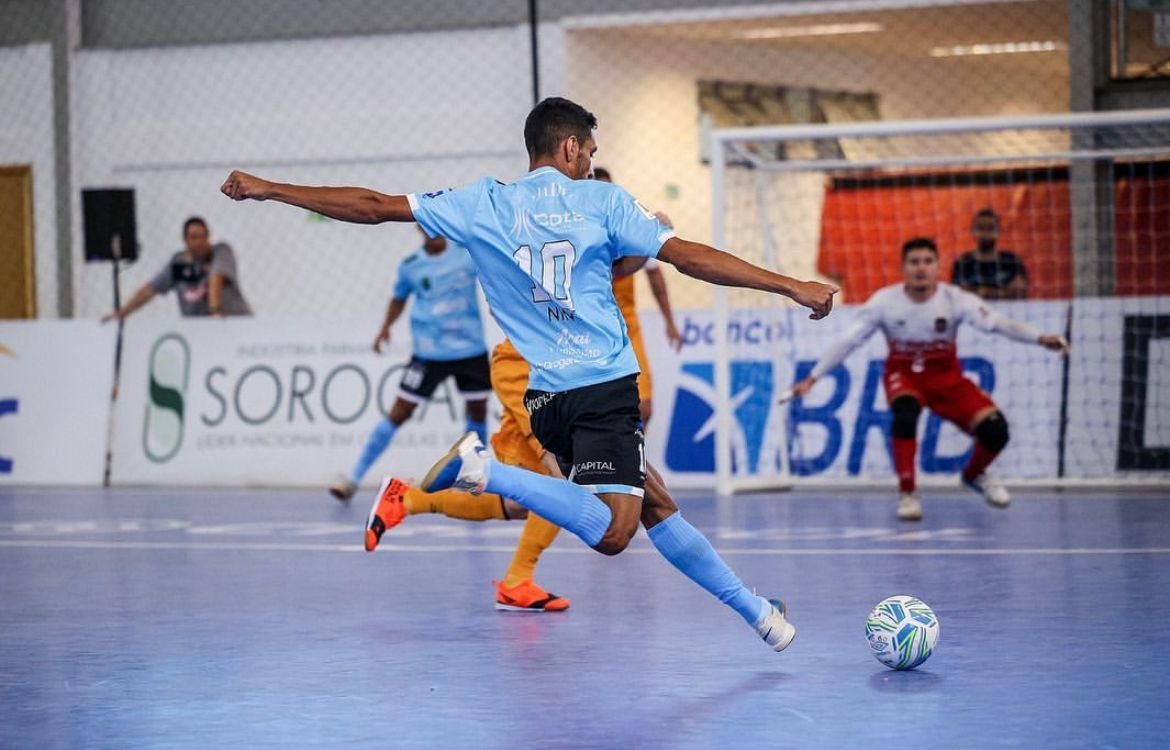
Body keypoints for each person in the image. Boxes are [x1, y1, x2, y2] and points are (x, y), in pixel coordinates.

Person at [221, 96, 838, 652]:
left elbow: (374, 207)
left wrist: (271, 188)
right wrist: (788, 284)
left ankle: (759, 615)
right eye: (590, 153)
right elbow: (688, 258)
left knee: (653, 500)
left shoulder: (483, 201)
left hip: (545, 395)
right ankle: (483, 471)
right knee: (616, 532)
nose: (592, 165)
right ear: (570, 147)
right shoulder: (603, 200)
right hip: (602, 388)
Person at [793, 237, 1067, 521]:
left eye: (927, 262)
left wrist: (1039, 338)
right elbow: (848, 341)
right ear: (903, 268)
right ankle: (908, 494)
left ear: (938, 266)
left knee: (997, 431)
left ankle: (974, 475)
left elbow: (998, 324)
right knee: (905, 414)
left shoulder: (955, 299)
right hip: (904, 375)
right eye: (914, 262)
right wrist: (813, 378)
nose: (920, 269)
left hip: (946, 378)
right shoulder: (885, 301)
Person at [329, 227, 490, 502]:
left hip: (470, 350)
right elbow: (399, 298)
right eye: (426, 224)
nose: (433, 230)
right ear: (418, 228)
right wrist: (385, 328)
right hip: (429, 354)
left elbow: (494, 279)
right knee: (400, 411)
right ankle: (354, 478)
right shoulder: (411, 266)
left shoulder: (466, 255)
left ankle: (474, 479)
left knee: (477, 413)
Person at [592, 167, 682, 428]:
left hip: (626, 329)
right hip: (589, 334)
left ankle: (628, 459)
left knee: (643, 407)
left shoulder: (628, 225)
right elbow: (618, 270)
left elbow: (650, 274)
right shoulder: (576, 233)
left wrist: (669, 321)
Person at [101, 217, 252, 322]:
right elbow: (150, 290)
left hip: (232, 325)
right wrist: (122, 313)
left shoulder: (221, 252)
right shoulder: (179, 264)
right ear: (185, 240)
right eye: (194, 237)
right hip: (200, 333)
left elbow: (216, 278)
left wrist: (215, 311)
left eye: (203, 237)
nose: (199, 242)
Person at [951, 208, 1029, 300]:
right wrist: (1003, 292)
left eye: (991, 228)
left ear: (999, 231)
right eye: (980, 228)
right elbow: (959, 294)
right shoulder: (963, 262)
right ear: (973, 231)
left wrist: (980, 291)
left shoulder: (1011, 260)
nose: (985, 233)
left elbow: (1020, 291)